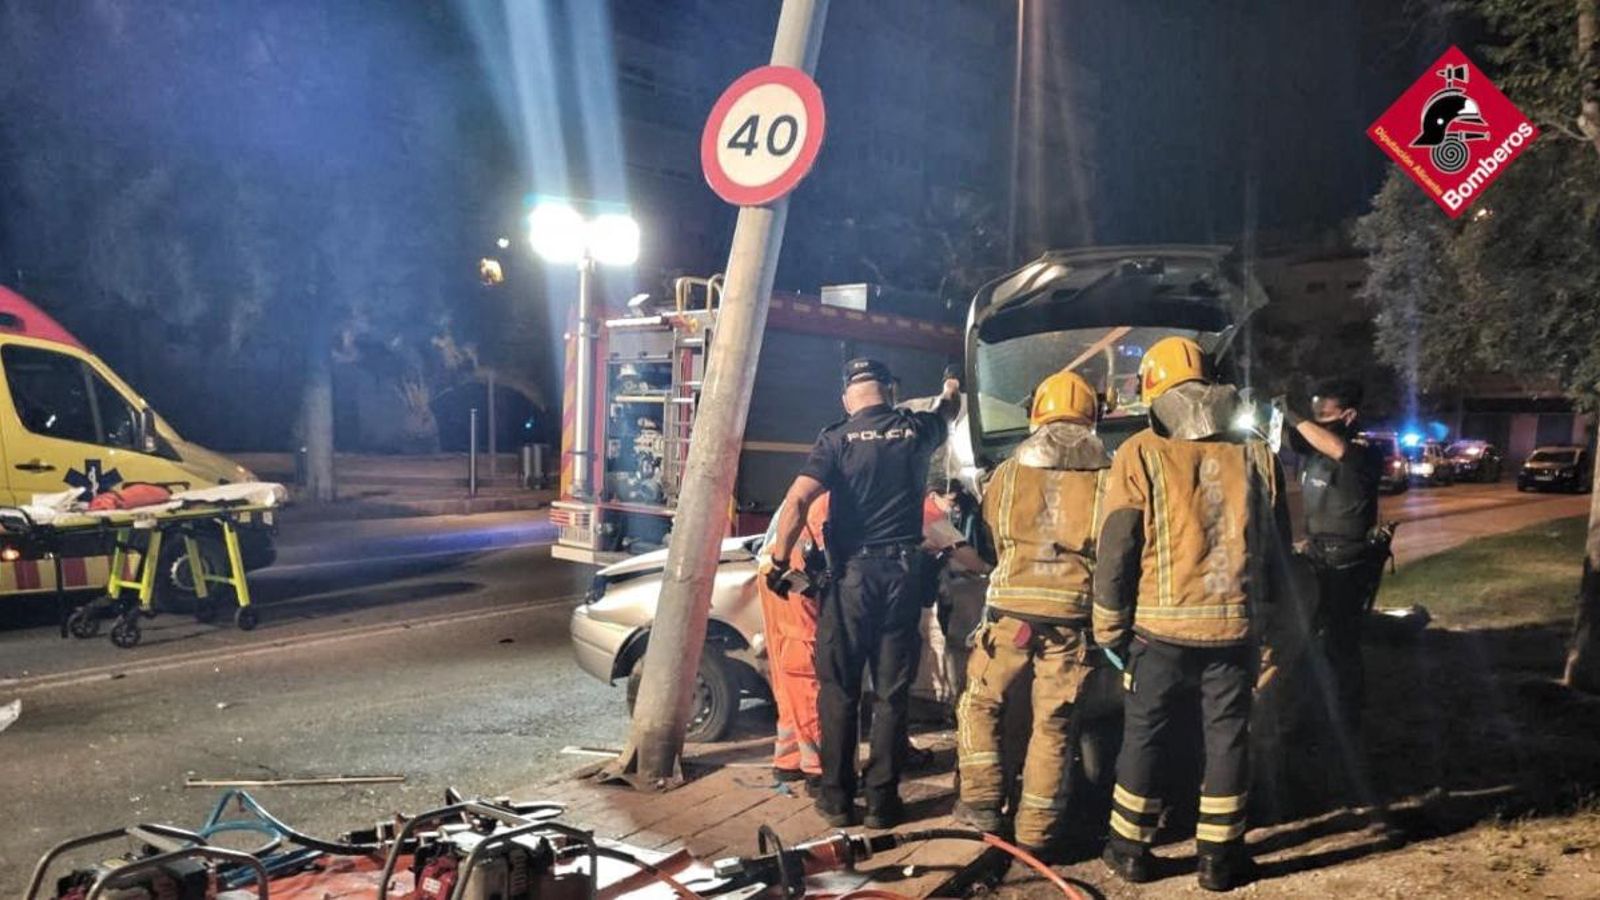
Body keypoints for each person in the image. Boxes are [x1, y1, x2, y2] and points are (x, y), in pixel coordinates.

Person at [1095, 337, 1291, 893]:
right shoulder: (1257, 453)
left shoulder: (1139, 452)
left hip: (1160, 632)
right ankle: (1219, 860)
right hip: (1234, 628)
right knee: (1228, 736)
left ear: (1154, 392)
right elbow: (1277, 548)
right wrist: (1270, 618)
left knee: (1144, 734)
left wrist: (1108, 625)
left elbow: (1117, 548)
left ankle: (1129, 851)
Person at [762, 358, 960, 828]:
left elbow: (797, 501)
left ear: (848, 398)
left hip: (850, 579)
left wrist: (778, 559)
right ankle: (883, 803)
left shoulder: (835, 439)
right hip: (902, 576)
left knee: (840, 691)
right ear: (888, 392)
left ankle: (836, 799)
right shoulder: (918, 429)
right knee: (892, 694)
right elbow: (949, 409)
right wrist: (950, 380)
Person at [953, 368, 1110, 854]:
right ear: (1093, 416)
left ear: (1037, 415)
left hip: (1011, 614)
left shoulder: (1007, 473)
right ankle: (1037, 833)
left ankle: (981, 802)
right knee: (1054, 722)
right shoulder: (1108, 476)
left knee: (980, 701)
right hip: (1071, 619)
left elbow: (996, 538)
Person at [758, 490, 986, 791]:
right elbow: (963, 554)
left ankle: (789, 761)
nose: (951, 513)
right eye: (952, 505)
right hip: (803, 578)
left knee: (790, 671)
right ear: (938, 493)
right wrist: (993, 570)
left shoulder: (865, 489)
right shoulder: (924, 508)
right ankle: (820, 768)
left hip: (781, 571)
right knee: (813, 670)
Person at [1282, 379, 1385, 735]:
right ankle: (1309, 712)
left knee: (1341, 645)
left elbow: (1337, 449)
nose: (1317, 423)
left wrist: (1293, 417)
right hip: (1316, 556)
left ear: (1349, 415)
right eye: (1315, 416)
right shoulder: (1311, 450)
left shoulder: (1365, 451)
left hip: (1349, 562)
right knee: (1304, 641)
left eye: (1325, 415)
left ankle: (1348, 719)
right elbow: (1293, 441)